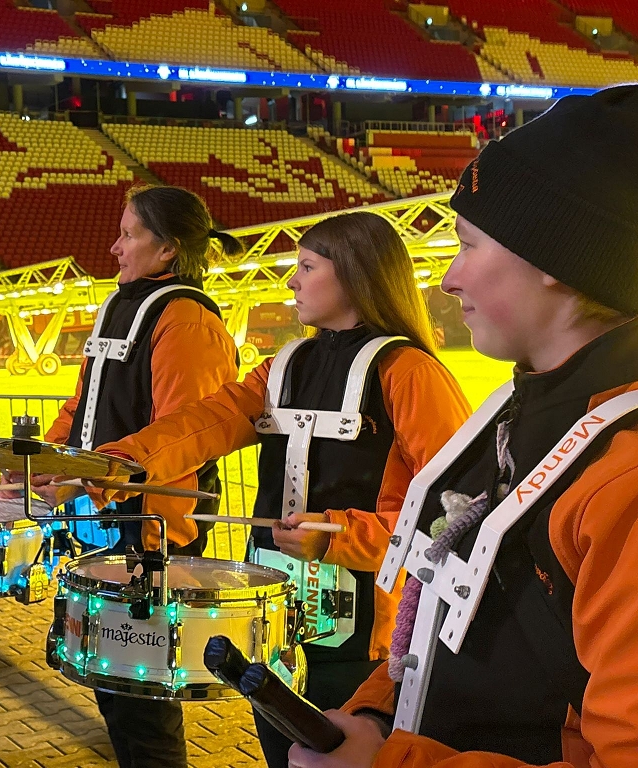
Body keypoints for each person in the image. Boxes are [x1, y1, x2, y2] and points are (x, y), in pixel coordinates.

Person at [286, 63, 638, 768]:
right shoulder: (514, 411)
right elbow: (432, 629)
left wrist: (391, 763)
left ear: (554, 256)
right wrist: (372, 714)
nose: (448, 276)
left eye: (467, 244)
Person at [95, 211, 471, 768]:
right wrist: (116, 464)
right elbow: (203, 424)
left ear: (355, 274)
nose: (292, 281)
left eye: (307, 267)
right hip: (271, 624)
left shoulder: (409, 372)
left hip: (365, 643)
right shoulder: (283, 366)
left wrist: (340, 536)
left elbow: (454, 516)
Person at [6, 185, 243, 768]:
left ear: (169, 249)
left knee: (143, 702)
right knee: (111, 686)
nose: (115, 247)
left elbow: (182, 436)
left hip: (155, 531)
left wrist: (87, 481)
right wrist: (46, 461)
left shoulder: (188, 320)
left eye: (129, 234)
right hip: (103, 520)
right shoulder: (120, 305)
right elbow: (83, 406)